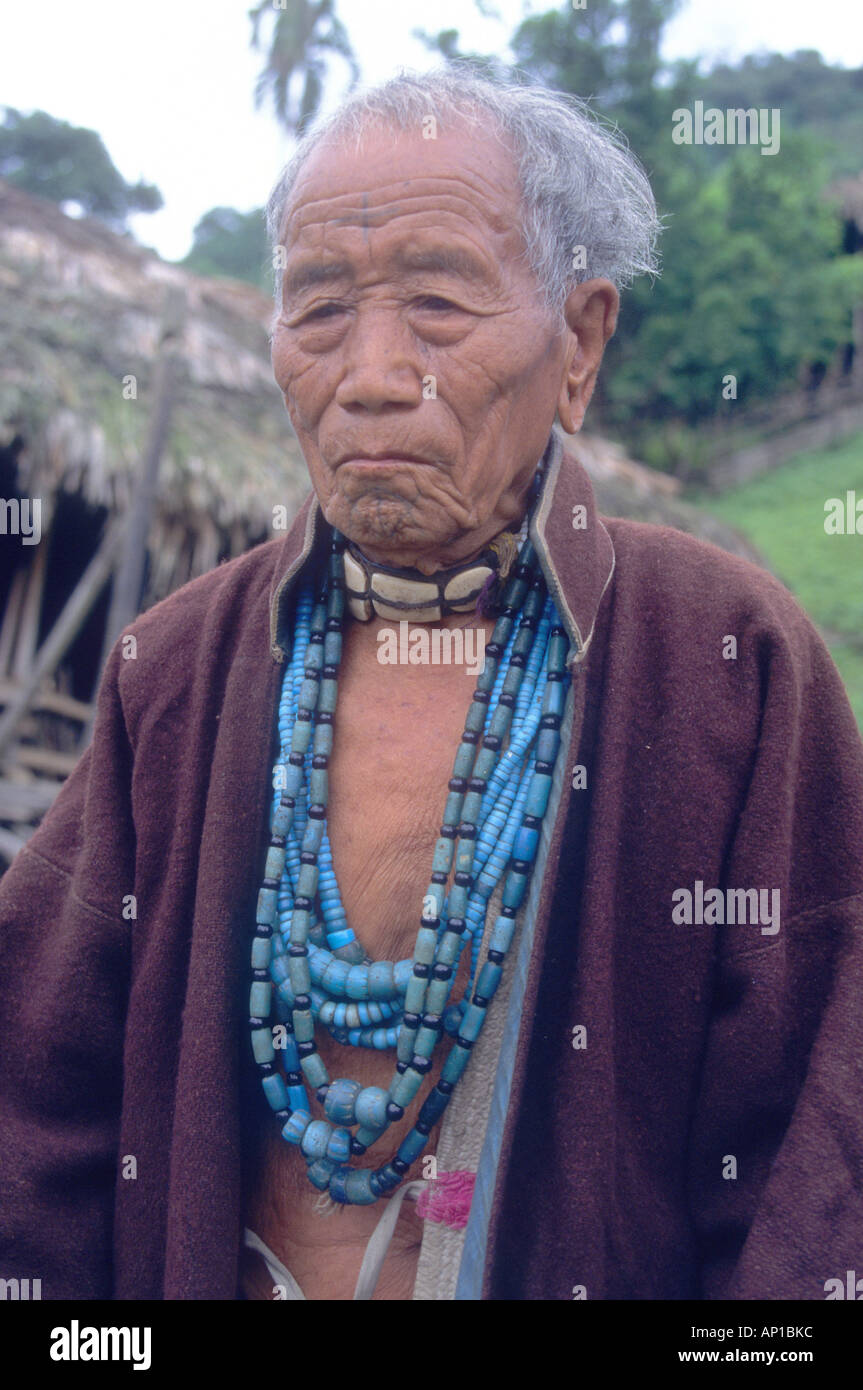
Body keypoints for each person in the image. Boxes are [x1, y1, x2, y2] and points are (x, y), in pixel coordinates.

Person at [1, 68, 862, 1303]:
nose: (368, 373)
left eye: (438, 302)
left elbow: (804, 1171)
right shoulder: (177, 669)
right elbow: (33, 1109)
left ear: (577, 341)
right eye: (318, 309)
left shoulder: (725, 665)